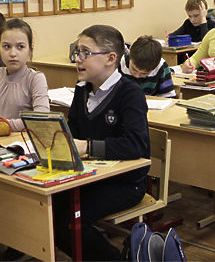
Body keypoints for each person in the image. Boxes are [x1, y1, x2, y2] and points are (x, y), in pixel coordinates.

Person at [54, 25, 150, 261]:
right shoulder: (81, 90)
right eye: (76, 52)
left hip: (124, 183)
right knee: (46, 209)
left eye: (85, 52)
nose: (78, 58)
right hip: (89, 176)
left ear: (110, 58)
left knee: (70, 221)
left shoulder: (130, 93)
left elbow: (137, 146)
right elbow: (73, 131)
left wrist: (88, 147)